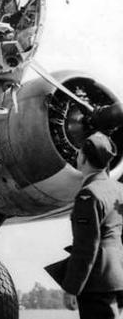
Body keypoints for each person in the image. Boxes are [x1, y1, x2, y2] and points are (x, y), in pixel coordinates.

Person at [46, 131, 123, 319]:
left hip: (96, 283)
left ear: (84, 158)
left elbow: (86, 246)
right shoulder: (119, 189)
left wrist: (72, 288)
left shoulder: (88, 195)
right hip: (117, 278)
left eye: (79, 152)